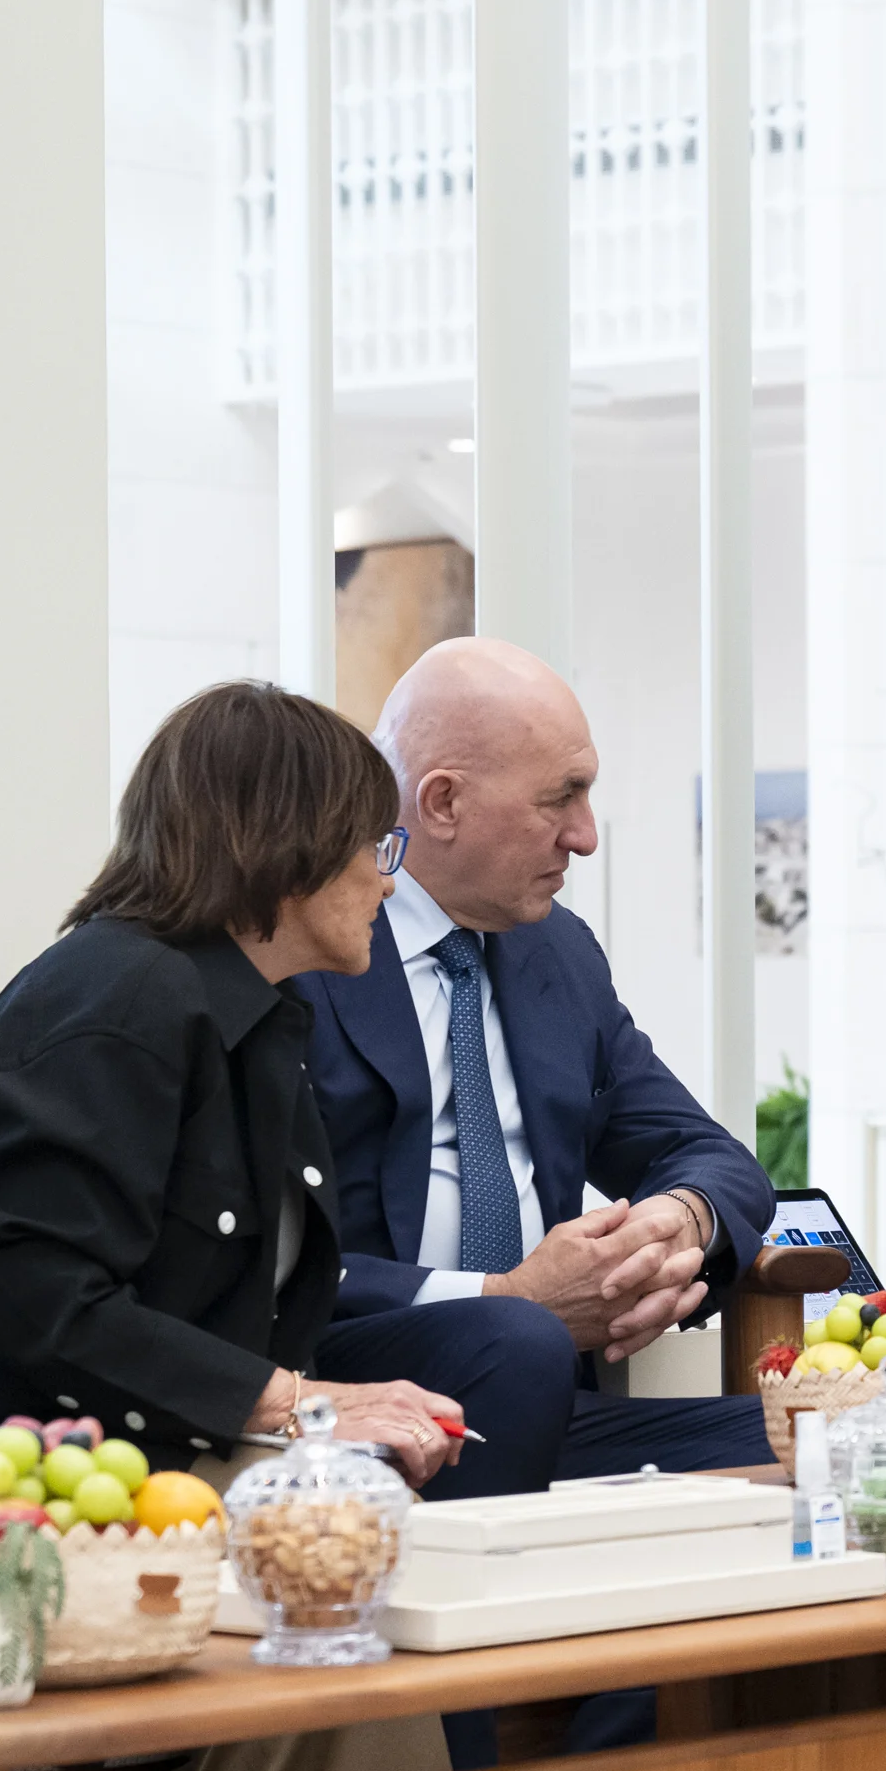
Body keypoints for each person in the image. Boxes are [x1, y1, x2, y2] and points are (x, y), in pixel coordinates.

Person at [0, 682, 464, 1490]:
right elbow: (38, 1301)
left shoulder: (251, 1011)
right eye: (374, 847)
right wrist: (298, 1407)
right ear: (294, 846)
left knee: (454, 1406)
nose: (388, 883)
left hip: (127, 1439)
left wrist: (312, 1410)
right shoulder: (122, 1002)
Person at [286, 638, 775, 1490]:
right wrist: (503, 1296)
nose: (585, 837)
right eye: (562, 798)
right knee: (514, 1338)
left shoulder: (558, 956)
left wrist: (674, 1226)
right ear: (442, 802)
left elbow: (712, 1158)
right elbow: (268, 1261)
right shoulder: (307, 947)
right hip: (357, 1389)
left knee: (826, 1435)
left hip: (546, 1392)